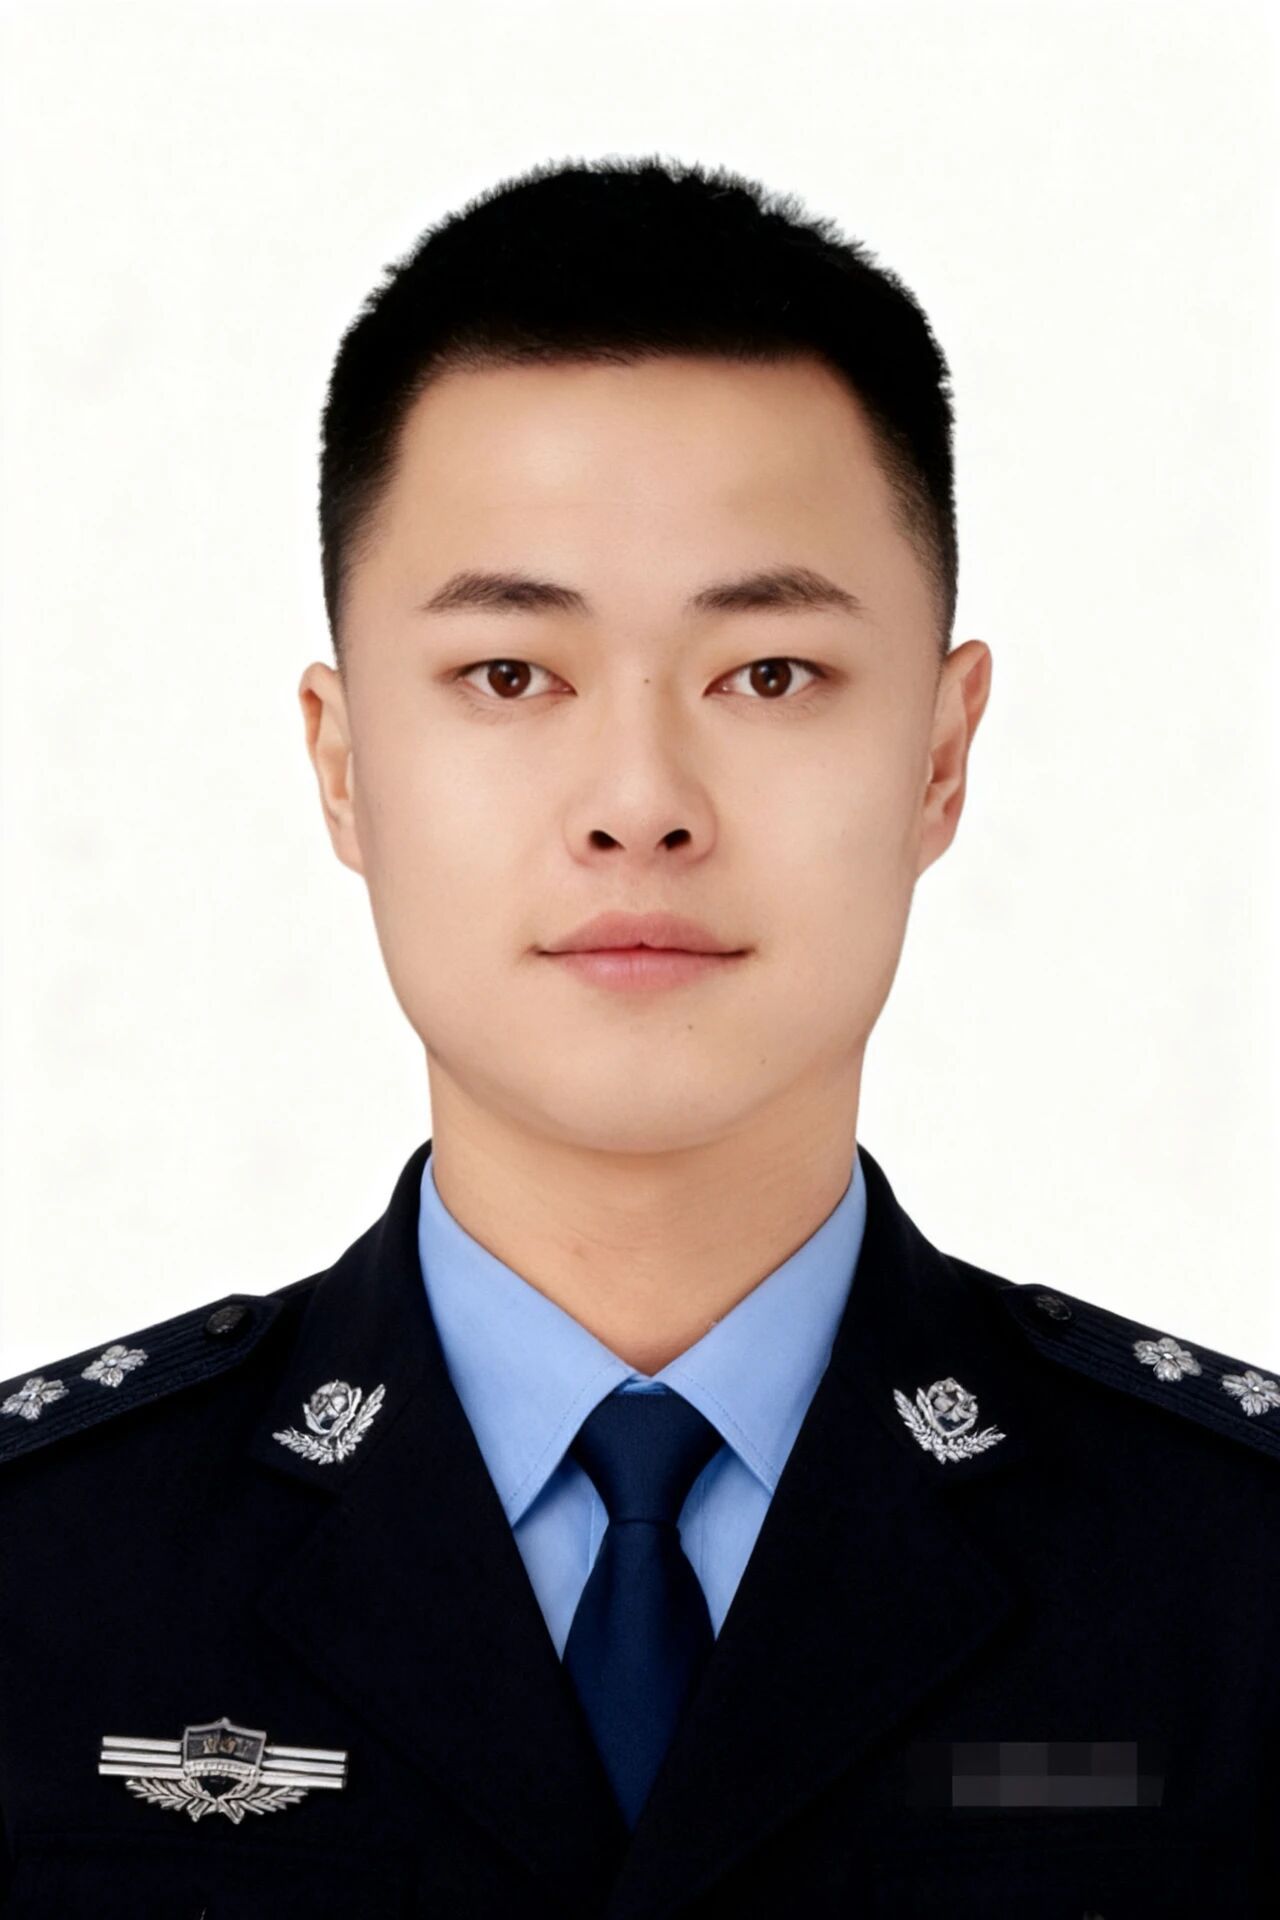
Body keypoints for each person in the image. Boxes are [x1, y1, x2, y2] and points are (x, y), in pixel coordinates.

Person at [0, 153, 1275, 1920]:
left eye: (771, 675)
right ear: (344, 765)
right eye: (510, 675)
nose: (639, 802)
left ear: (939, 755)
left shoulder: (1234, 1573)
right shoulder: (43, 1570)